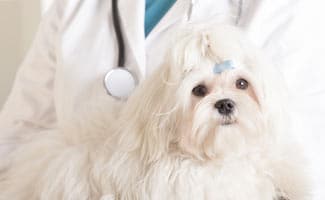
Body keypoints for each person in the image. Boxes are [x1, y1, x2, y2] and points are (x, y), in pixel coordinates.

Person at [0, 0, 324, 199]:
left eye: (239, 84)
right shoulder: (74, 5)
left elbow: (299, 140)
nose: (224, 99)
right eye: (201, 91)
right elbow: (16, 135)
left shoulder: (290, 7)